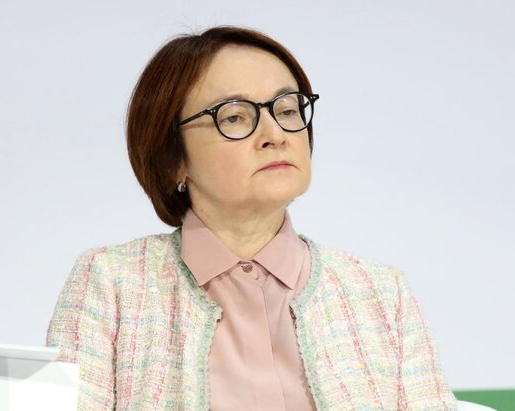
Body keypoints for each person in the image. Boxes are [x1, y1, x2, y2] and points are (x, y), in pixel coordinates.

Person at [46, 26, 457, 410]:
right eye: (234, 116)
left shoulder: (380, 293)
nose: (275, 134)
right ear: (173, 159)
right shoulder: (111, 284)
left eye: (287, 109)